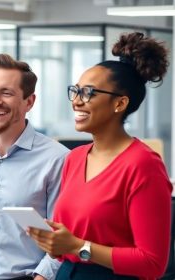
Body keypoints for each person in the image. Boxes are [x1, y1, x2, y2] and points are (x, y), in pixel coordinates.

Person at [28, 32, 172, 280]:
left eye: (88, 93)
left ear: (120, 103)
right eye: (75, 91)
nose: (76, 101)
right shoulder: (74, 158)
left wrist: (76, 247)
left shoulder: (143, 164)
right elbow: (68, 239)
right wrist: (54, 242)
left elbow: (152, 263)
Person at [0, 54, 69, 280]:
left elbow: (64, 236)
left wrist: (42, 277)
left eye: (6, 93)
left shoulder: (57, 159)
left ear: (29, 102)